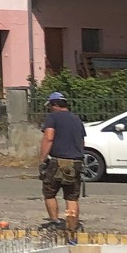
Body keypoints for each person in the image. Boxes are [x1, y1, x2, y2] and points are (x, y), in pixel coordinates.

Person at [37, 92, 86, 233]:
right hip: (76, 161)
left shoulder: (52, 118)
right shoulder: (76, 119)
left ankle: (55, 221)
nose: (50, 109)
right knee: (71, 196)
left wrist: (42, 159)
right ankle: (72, 226)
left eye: (51, 106)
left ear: (55, 105)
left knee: (49, 192)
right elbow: (82, 142)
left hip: (59, 161)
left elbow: (49, 137)